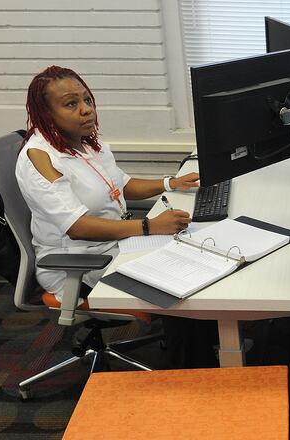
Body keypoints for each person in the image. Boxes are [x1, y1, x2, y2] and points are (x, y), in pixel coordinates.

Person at [15, 65, 218, 368]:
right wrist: (149, 226)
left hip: (116, 244)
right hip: (78, 262)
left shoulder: (81, 142)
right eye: (71, 104)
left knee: (195, 253)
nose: (86, 110)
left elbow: (120, 185)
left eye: (87, 100)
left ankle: (211, 345)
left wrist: (170, 183)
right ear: (46, 114)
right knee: (179, 283)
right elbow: (77, 227)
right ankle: (192, 371)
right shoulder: (40, 158)